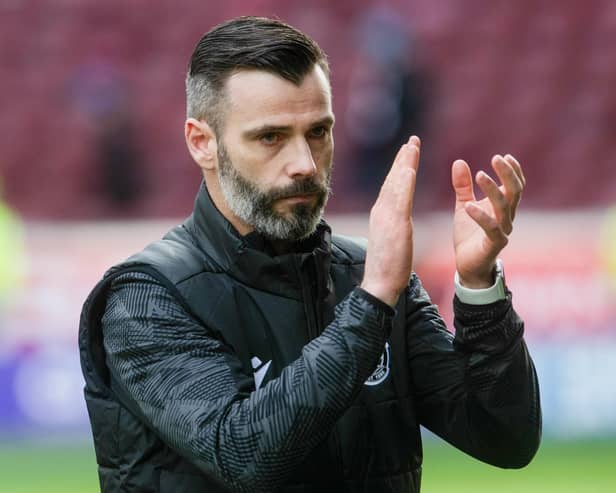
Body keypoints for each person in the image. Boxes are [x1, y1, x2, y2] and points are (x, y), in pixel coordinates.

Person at [79, 16, 541, 493]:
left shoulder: (366, 276)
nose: (304, 164)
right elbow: (244, 455)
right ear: (203, 143)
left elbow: (507, 438)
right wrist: (373, 301)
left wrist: (480, 287)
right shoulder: (146, 297)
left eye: (318, 132)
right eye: (270, 137)